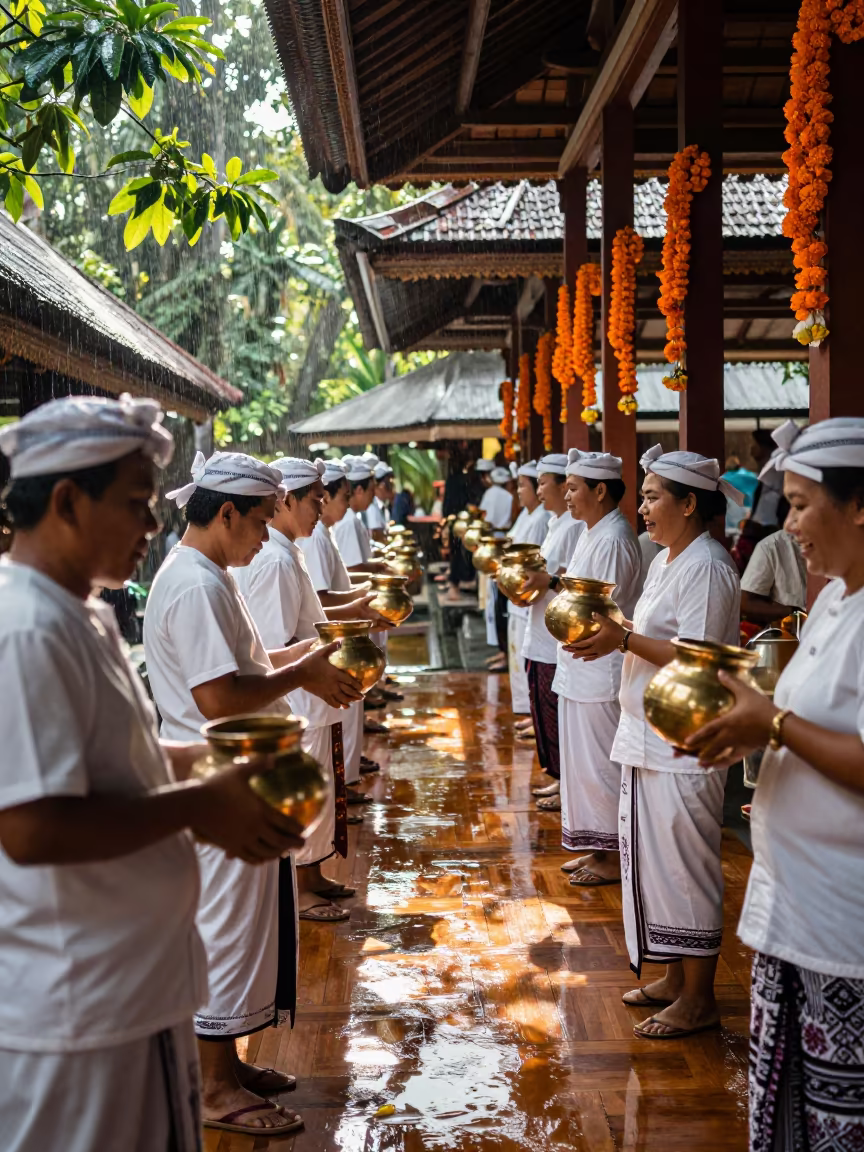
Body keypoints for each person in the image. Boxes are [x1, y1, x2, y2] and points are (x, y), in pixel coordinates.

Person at [0, 397, 303, 1152]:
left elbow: (117, 761)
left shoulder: (84, 614)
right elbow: (30, 826)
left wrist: (216, 760)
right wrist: (201, 803)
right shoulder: (26, 628)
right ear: (67, 502)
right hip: (75, 1003)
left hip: (129, 982)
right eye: (137, 505)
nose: (152, 526)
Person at [143, 450, 362, 1138]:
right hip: (219, 777)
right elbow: (219, 697)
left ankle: (228, 1064)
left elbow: (253, 668)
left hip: (242, 773)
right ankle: (211, 1086)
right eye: (261, 521)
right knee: (227, 932)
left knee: (245, 926)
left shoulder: (211, 574)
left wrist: (306, 664)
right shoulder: (197, 585)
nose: (267, 537)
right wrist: (303, 672)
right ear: (227, 513)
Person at [686, 418, 864, 1151]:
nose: (786, 525)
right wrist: (748, 714)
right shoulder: (831, 599)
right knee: (789, 1112)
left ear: (859, 506)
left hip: (845, 930)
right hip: (795, 912)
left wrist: (776, 724)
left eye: (798, 504)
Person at [569, 446, 743, 1039]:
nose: (641, 508)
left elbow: (699, 658)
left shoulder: (710, 566)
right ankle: (673, 976)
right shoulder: (671, 559)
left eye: (651, 497)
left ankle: (700, 997)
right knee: (657, 862)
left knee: (686, 865)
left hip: (685, 736)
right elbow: (647, 638)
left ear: (690, 503)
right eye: (641, 496)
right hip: (647, 731)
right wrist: (616, 637)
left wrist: (621, 638)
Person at [232, 457, 386, 922]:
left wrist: (351, 612)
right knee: (310, 787)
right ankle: (300, 887)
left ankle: (314, 874)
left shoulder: (287, 550)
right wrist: (330, 651)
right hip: (301, 695)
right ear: (285, 503)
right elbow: (276, 643)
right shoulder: (276, 559)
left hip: (314, 690)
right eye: (315, 499)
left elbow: (312, 614)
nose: (321, 508)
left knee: (323, 783)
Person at [554, 450, 641, 886]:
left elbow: (604, 610)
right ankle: (595, 846)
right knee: (583, 763)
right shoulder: (592, 531)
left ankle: (610, 854)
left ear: (600, 491)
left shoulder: (614, 537)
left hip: (599, 665)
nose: (567, 496)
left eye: (573, 488)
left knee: (601, 764)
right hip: (580, 665)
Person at [298, 459, 377, 791]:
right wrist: (357, 604)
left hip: (334, 645)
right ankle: (344, 786)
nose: (343, 504)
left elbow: (333, 588)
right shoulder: (310, 540)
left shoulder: (322, 533)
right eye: (340, 496)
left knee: (344, 723)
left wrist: (363, 592)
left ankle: (346, 781)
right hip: (327, 649)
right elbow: (321, 599)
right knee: (332, 734)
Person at [518, 453, 584, 809]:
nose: (542, 490)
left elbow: (574, 584)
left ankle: (564, 782)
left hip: (555, 637)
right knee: (545, 713)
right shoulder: (557, 522)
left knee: (556, 717)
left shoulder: (574, 527)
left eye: (546, 483)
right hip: (541, 633)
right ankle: (559, 779)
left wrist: (548, 582)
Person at [507, 461, 551, 721]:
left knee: (527, 657)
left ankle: (530, 712)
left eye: (523, 486)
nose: (519, 492)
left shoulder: (541, 519)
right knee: (518, 654)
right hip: (520, 597)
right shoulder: (528, 515)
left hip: (530, 595)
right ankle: (527, 710)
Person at [740, 527, 807, 624]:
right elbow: (745, 604)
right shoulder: (771, 546)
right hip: (793, 634)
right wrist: (792, 612)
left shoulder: (834, 543)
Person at [365, 461, 393, 541]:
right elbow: (376, 536)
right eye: (388, 483)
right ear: (381, 486)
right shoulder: (371, 507)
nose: (391, 486)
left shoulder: (383, 506)